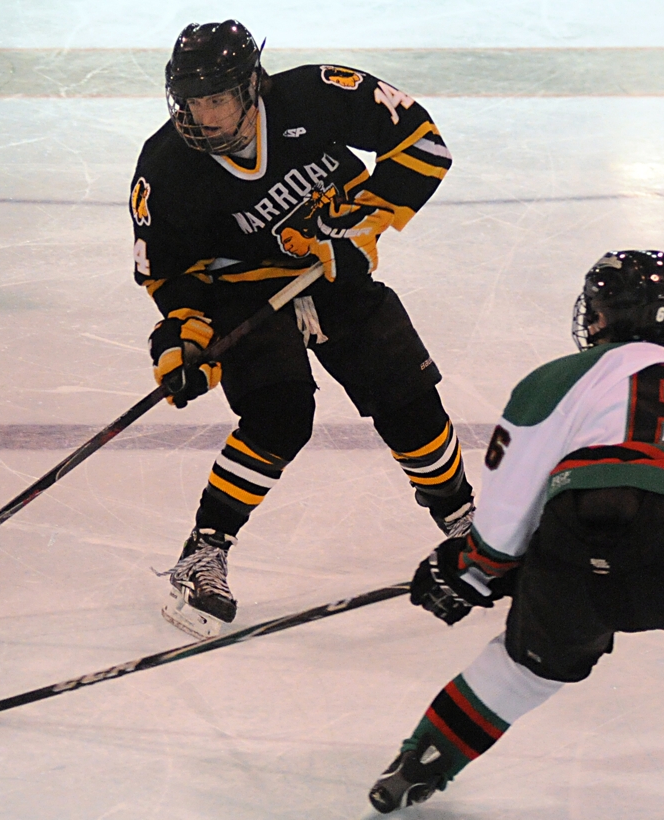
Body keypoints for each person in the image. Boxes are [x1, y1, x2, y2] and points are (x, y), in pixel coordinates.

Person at [129, 19, 475, 638]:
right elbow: (169, 272)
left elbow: (424, 143)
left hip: (333, 267)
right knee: (278, 414)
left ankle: (464, 522)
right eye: (191, 102)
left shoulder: (317, 95)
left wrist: (360, 226)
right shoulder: (166, 168)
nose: (202, 116)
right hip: (240, 288)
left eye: (216, 99)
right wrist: (186, 337)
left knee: (409, 401)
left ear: (251, 86)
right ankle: (204, 552)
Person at [368, 250, 664, 812]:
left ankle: (419, 764)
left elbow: (515, 486)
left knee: (528, 666)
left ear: (602, 312)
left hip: (583, 529)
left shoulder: (561, 376)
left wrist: (477, 566)